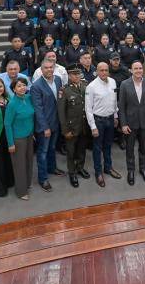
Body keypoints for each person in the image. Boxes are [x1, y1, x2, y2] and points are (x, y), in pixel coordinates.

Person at [118, 61, 145, 185]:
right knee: (129, 149)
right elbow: (121, 106)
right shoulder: (124, 84)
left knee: (143, 148)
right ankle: (131, 171)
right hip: (130, 123)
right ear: (131, 70)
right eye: (136, 68)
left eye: (140, 68)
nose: (139, 70)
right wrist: (123, 124)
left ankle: (143, 169)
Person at [85, 62, 121, 187]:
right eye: (101, 70)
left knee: (108, 145)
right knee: (97, 148)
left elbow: (114, 101)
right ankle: (98, 172)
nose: (104, 72)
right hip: (98, 121)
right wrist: (93, 127)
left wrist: (116, 116)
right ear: (97, 71)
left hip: (110, 120)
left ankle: (108, 167)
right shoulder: (91, 86)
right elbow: (88, 109)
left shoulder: (113, 82)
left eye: (106, 70)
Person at [31, 60, 64, 191]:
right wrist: (45, 127)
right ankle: (43, 178)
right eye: (46, 68)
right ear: (41, 69)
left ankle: (52, 168)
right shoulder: (36, 86)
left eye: (51, 67)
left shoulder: (58, 80)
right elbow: (38, 110)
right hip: (44, 125)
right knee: (42, 152)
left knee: (52, 148)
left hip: (56, 122)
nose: (49, 70)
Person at [57, 65, 88, 188]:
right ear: (69, 76)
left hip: (84, 126)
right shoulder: (64, 90)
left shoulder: (86, 86)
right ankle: (72, 172)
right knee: (71, 151)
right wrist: (65, 130)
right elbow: (61, 112)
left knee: (82, 149)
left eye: (78, 73)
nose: (76, 76)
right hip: (71, 127)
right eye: (74, 74)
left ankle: (80, 167)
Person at [5, 78, 35, 199]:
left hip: (28, 136)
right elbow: (7, 124)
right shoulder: (12, 104)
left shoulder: (28, 98)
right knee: (20, 166)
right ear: (13, 89)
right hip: (18, 139)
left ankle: (27, 183)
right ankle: (21, 191)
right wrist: (10, 143)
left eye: (24, 85)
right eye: (19, 86)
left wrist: (32, 132)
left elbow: (30, 117)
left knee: (29, 161)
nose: (22, 88)